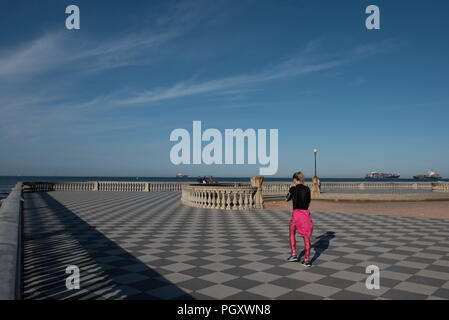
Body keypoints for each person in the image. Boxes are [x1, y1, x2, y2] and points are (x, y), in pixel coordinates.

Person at [285, 171, 313, 267]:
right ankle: (307, 260)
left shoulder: (293, 188)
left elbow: (286, 198)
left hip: (296, 214)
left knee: (292, 233)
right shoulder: (307, 189)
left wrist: (291, 193)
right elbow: (309, 202)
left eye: (293, 179)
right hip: (305, 214)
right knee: (306, 236)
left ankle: (294, 255)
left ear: (295, 179)